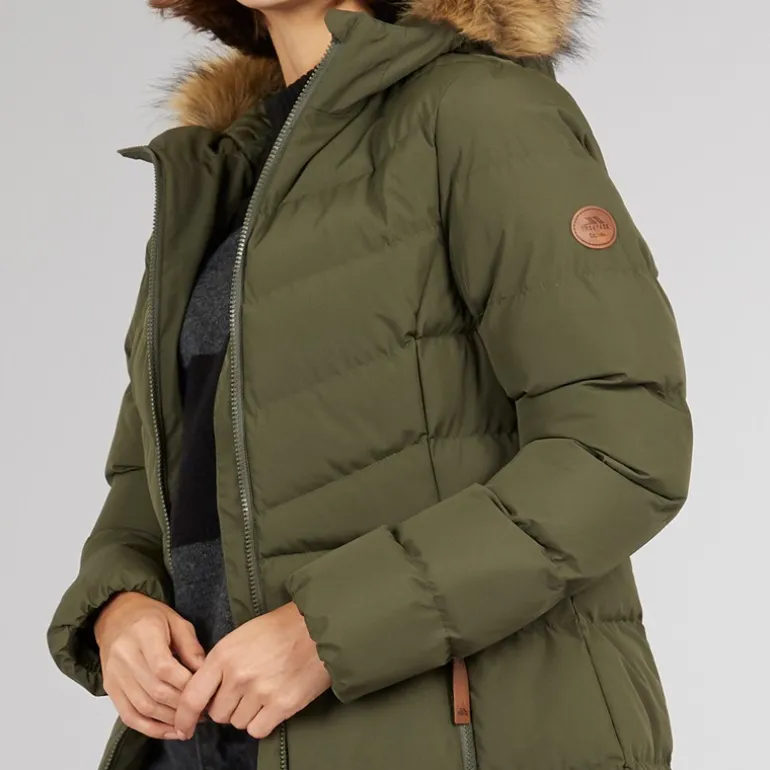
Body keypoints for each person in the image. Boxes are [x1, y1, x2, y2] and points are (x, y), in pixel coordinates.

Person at [47, 0, 694, 768]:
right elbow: (151, 478)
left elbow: (621, 451)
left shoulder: (476, 113)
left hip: (456, 738)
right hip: (203, 745)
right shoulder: (221, 177)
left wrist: (327, 631)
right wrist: (119, 605)